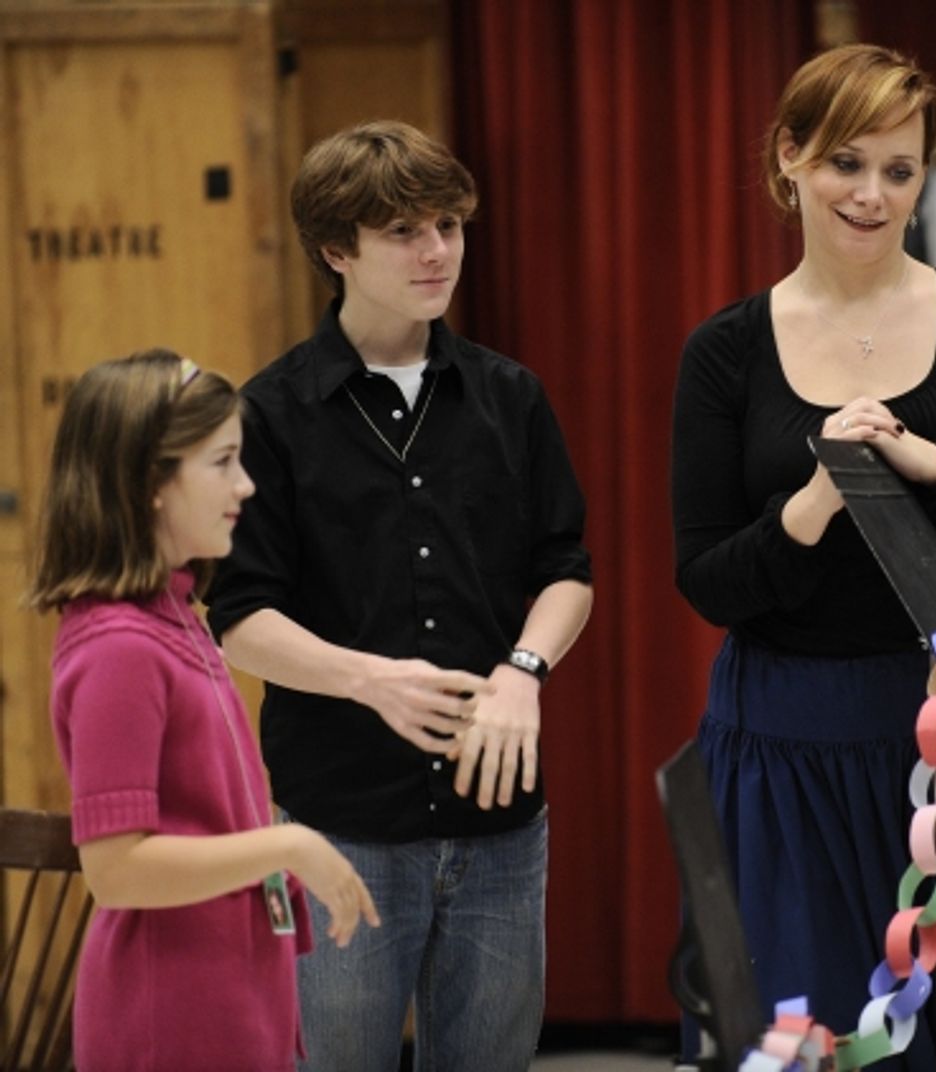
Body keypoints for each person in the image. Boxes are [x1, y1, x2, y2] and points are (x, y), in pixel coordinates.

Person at [670, 43, 936, 1070]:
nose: (870, 194)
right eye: (844, 164)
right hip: (791, 755)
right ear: (789, 158)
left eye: (898, 171)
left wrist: (935, 468)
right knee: (810, 1034)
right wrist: (815, 502)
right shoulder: (725, 352)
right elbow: (708, 579)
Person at [204, 120, 594, 1072]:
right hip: (342, 823)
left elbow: (565, 569)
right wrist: (369, 680)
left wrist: (525, 671)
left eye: (449, 226)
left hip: (500, 822)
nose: (437, 252)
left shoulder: (511, 397)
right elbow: (239, 619)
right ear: (336, 251)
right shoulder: (270, 414)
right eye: (404, 232)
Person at [26, 350, 378, 1072]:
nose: (245, 485)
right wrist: (287, 846)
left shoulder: (176, 615)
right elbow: (117, 869)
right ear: (149, 483)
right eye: (222, 463)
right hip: (172, 1014)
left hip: (232, 992)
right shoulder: (118, 647)